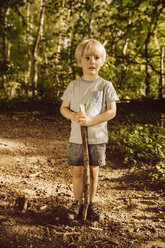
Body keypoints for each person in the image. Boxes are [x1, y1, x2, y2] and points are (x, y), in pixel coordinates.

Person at [60, 38, 119, 221]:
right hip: (77, 137)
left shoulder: (105, 85)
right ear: (79, 61)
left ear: (102, 60)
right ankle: (77, 203)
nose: (91, 61)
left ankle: (91, 203)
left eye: (96, 57)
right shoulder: (73, 86)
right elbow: (64, 108)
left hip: (97, 137)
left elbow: (112, 111)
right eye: (87, 58)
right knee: (78, 171)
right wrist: (74, 116)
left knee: (93, 171)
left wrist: (92, 120)